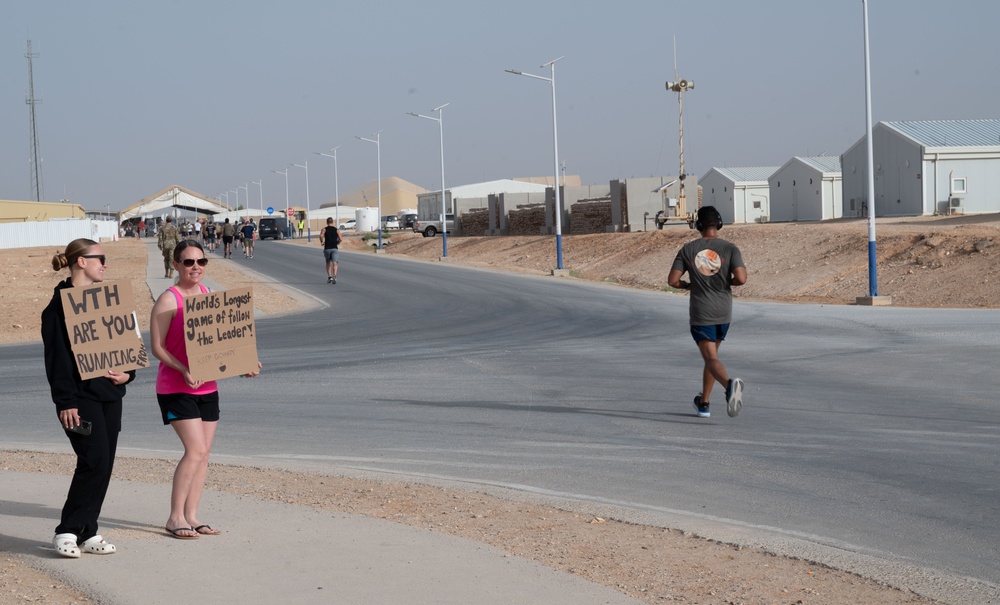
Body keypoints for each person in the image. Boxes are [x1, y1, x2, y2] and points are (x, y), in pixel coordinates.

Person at [149, 240, 261, 539]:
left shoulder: (210, 297)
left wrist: (244, 365)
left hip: (207, 387)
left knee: (205, 454)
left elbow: (222, 346)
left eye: (201, 261)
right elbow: (157, 348)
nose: (195, 267)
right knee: (195, 450)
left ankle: (192, 515)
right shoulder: (168, 300)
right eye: (188, 262)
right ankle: (175, 517)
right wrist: (183, 369)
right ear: (176, 265)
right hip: (175, 388)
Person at [42, 239, 136, 558]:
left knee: (104, 464)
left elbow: (127, 346)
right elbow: (57, 361)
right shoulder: (57, 308)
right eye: (100, 259)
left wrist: (127, 374)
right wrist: (65, 402)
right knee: (92, 461)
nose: (104, 264)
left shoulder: (108, 301)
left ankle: (88, 531)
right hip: (79, 400)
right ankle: (66, 530)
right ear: (81, 262)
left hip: (111, 395)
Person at [667, 205, 747, 419]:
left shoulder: (688, 249)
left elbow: (672, 281)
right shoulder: (730, 248)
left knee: (711, 358)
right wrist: (724, 282)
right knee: (712, 358)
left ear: (699, 225)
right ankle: (704, 403)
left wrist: (687, 286)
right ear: (718, 224)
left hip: (702, 312)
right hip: (724, 312)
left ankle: (730, 386)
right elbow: (741, 278)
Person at [319, 217, 342, 284]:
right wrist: (337, 243)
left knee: (328, 262)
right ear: (332, 222)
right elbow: (341, 238)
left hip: (327, 248)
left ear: (327, 222)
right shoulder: (336, 230)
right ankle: (334, 275)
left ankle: (330, 277)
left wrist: (322, 242)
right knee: (335, 263)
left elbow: (321, 236)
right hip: (334, 248)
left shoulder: (324, 229)